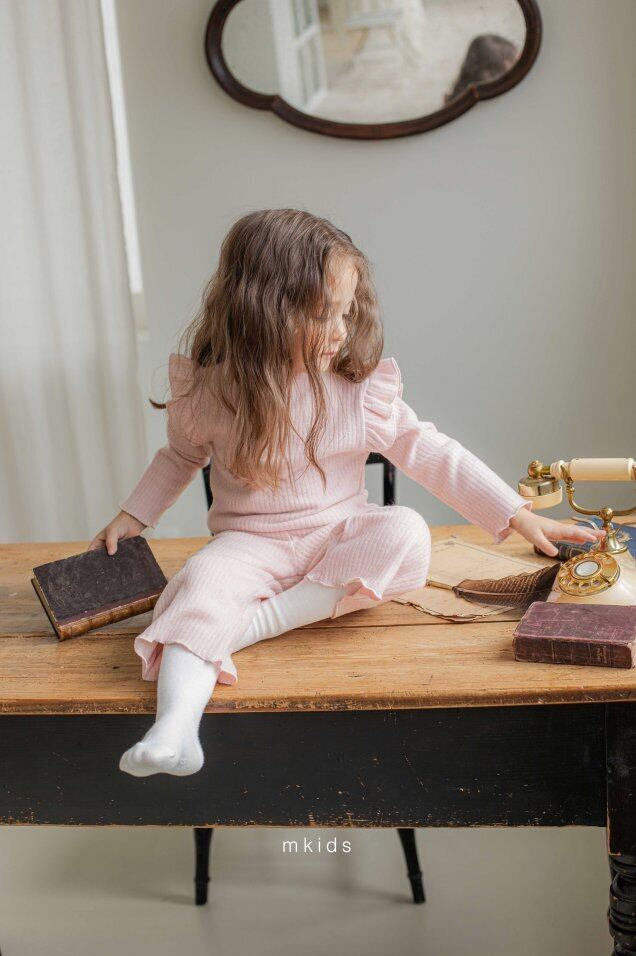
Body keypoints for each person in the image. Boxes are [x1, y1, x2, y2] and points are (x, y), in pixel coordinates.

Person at [88, 208, 603, 778]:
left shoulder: (354, 389)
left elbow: (427, 448)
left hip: (339, 540)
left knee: (406, 530)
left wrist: (517, 514)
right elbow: (181, 456)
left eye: (345, 311)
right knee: (198, 583)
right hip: (248, 546)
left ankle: (256, 624)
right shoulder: (214, 389)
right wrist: (133, 515)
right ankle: (175, 730)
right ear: (263, 311)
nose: (340, 330)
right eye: (322, 314)